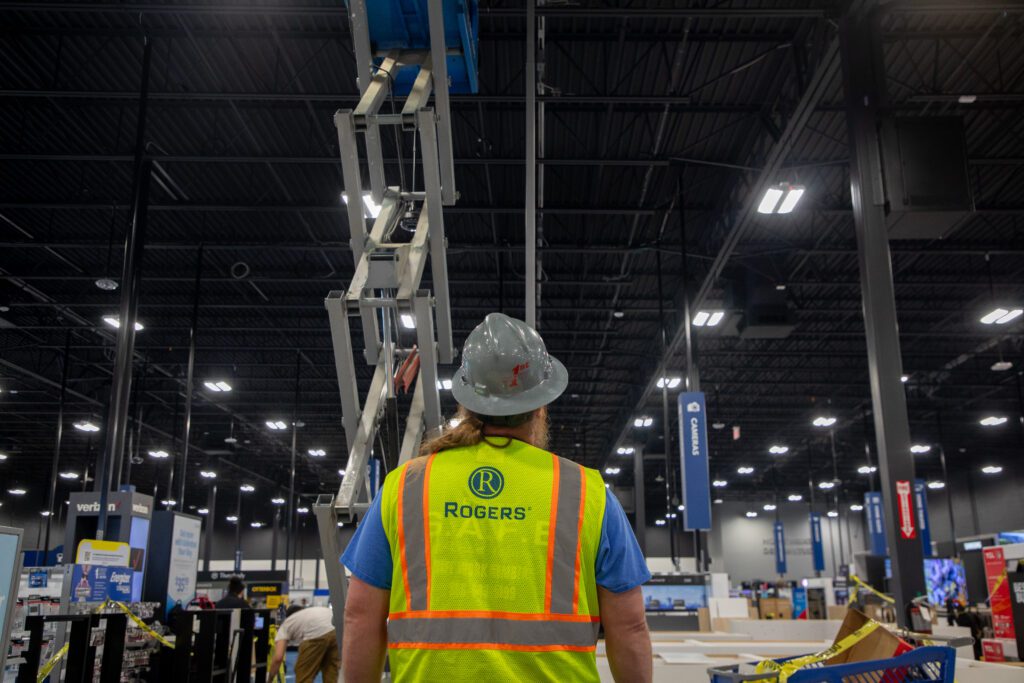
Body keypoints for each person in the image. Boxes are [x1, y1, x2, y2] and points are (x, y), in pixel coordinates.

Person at [341, 313, 653, 682]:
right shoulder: (588, 493)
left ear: (467, 402)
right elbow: (630, 627)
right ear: (541, 406)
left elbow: (360, 616)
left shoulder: (405, 486)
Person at [268, 605, 339, 683]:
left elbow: (278, 657)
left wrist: (270, 678)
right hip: (337, 634)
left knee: (303, 675)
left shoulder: (287, 623)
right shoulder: (316, 610)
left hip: (315, 636)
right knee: (332, 674)